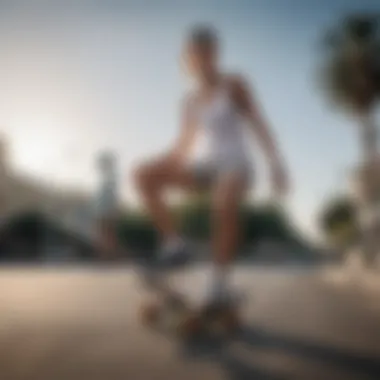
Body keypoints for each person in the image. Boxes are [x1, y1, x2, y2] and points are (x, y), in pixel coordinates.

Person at [134, 25, 289, 307]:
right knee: (143, 175)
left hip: (237, 165)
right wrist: (158, 166)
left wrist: (276, 164)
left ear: (215, 54)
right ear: (188, 59)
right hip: (207, 166)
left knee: (224, 203)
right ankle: (175, 246)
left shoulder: (234, 84)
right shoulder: (189, 101)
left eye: (208, 52)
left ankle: (219, 282)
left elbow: (258, 123)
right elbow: (182, 149)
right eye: (195, 54)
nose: (202, 59)